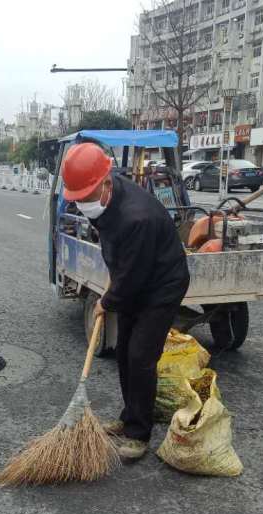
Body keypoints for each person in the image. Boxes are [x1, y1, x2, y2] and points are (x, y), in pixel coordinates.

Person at [60, 142, 190, 460]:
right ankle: (129, 415)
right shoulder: (106, 197)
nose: (83, 205)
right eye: (79, 199)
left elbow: (134, 276)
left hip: (161, 286)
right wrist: (115, 279)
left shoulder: (136, 218)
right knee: (123, 352)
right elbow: (122, 259)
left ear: (106, 183)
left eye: (87, 197)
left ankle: (138, 433)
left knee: (140, 357)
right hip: (134, 276)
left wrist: (107, 301)